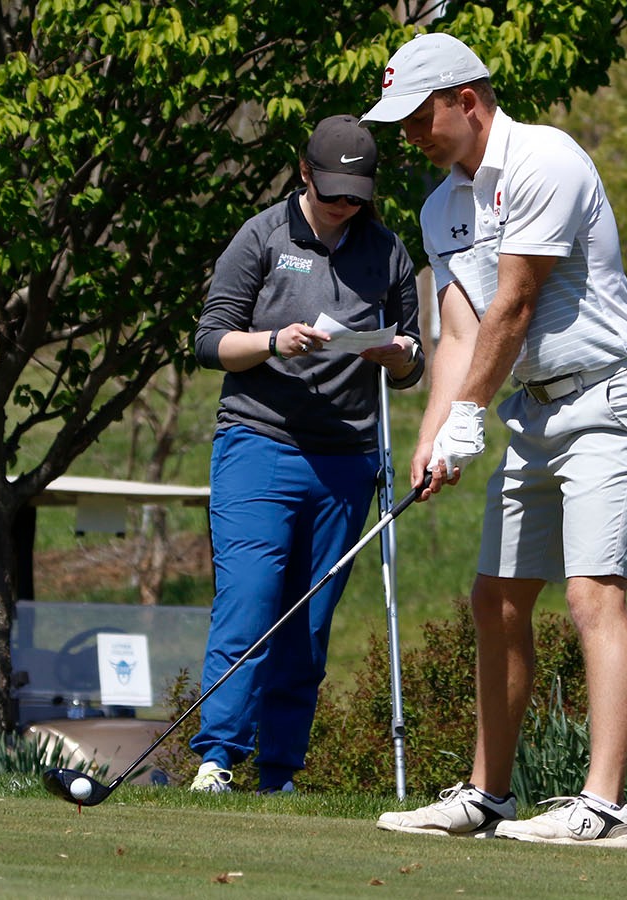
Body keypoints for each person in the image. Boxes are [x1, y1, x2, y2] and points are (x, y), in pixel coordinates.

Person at [360, 33, 627, 848]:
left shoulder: (547, 160)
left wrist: (470, 418)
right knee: (495, 598)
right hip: (534, 414)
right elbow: (460, 334)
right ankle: (485, 795)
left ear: (467, 98)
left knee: (591, 593)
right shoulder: (439, 208)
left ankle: (603, 808)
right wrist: (435, 437)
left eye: (419, 115)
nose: (410, 134)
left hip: (613, 400)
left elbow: (517, 304)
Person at [187, 114, 424, 794]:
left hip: (346, 461)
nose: (344, 206)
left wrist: (395, 354)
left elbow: (413, 364)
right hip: (258, 444)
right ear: (304, 173)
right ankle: (217, 759)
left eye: (356, 195)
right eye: (333, 194)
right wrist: (271, 342)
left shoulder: (386, 251)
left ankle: (280, 773)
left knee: (309, 624)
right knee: (250, 604)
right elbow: (210, 341)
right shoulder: (261, 235)